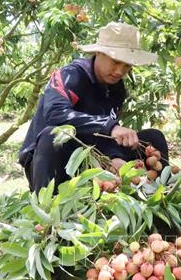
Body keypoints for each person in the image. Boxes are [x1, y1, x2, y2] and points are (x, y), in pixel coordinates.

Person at [18, 22, 169, 193]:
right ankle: (48, 204)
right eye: (115, 61)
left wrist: (114, 158)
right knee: (53, 135)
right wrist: (109, 127)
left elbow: (103, 137)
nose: (120, 71)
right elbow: (55, 112)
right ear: (98, 53)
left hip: (94, 159)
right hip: (51, 163)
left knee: (153, 138)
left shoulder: (116, 89)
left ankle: (159, 194)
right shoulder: (71, 75)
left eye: (127, 65)